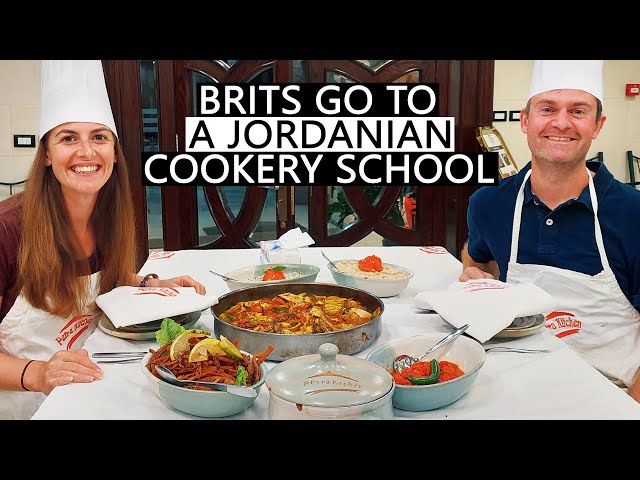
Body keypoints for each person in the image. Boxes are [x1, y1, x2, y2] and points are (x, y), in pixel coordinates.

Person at [0, 60, 206, 420]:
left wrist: (151, 282)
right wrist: (38, 373)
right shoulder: (7, 230)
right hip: (24, 404)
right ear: (46, 154)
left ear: (113, 151)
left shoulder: (108, 216)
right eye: (68, 138)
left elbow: (96, 280)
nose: (87, 152)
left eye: (99, 137)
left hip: (92, 387)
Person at [460, 60, 640, 403]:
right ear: (524, 120)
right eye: (547, 108)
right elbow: (478, 261)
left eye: (578, 110)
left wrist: (627, 410)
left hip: (612, 392)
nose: (561, 122)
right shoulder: (489, 203)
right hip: (508, 386)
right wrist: (475, 275)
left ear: (597, 125)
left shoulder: (633, 213)